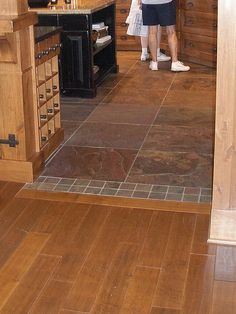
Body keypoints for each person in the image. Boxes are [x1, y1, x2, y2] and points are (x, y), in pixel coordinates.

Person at [141, 0, 190, 71]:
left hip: (147, 2)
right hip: (165, 2)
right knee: (171, 32)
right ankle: (175, 63)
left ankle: (154, 63)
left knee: (152, 32)